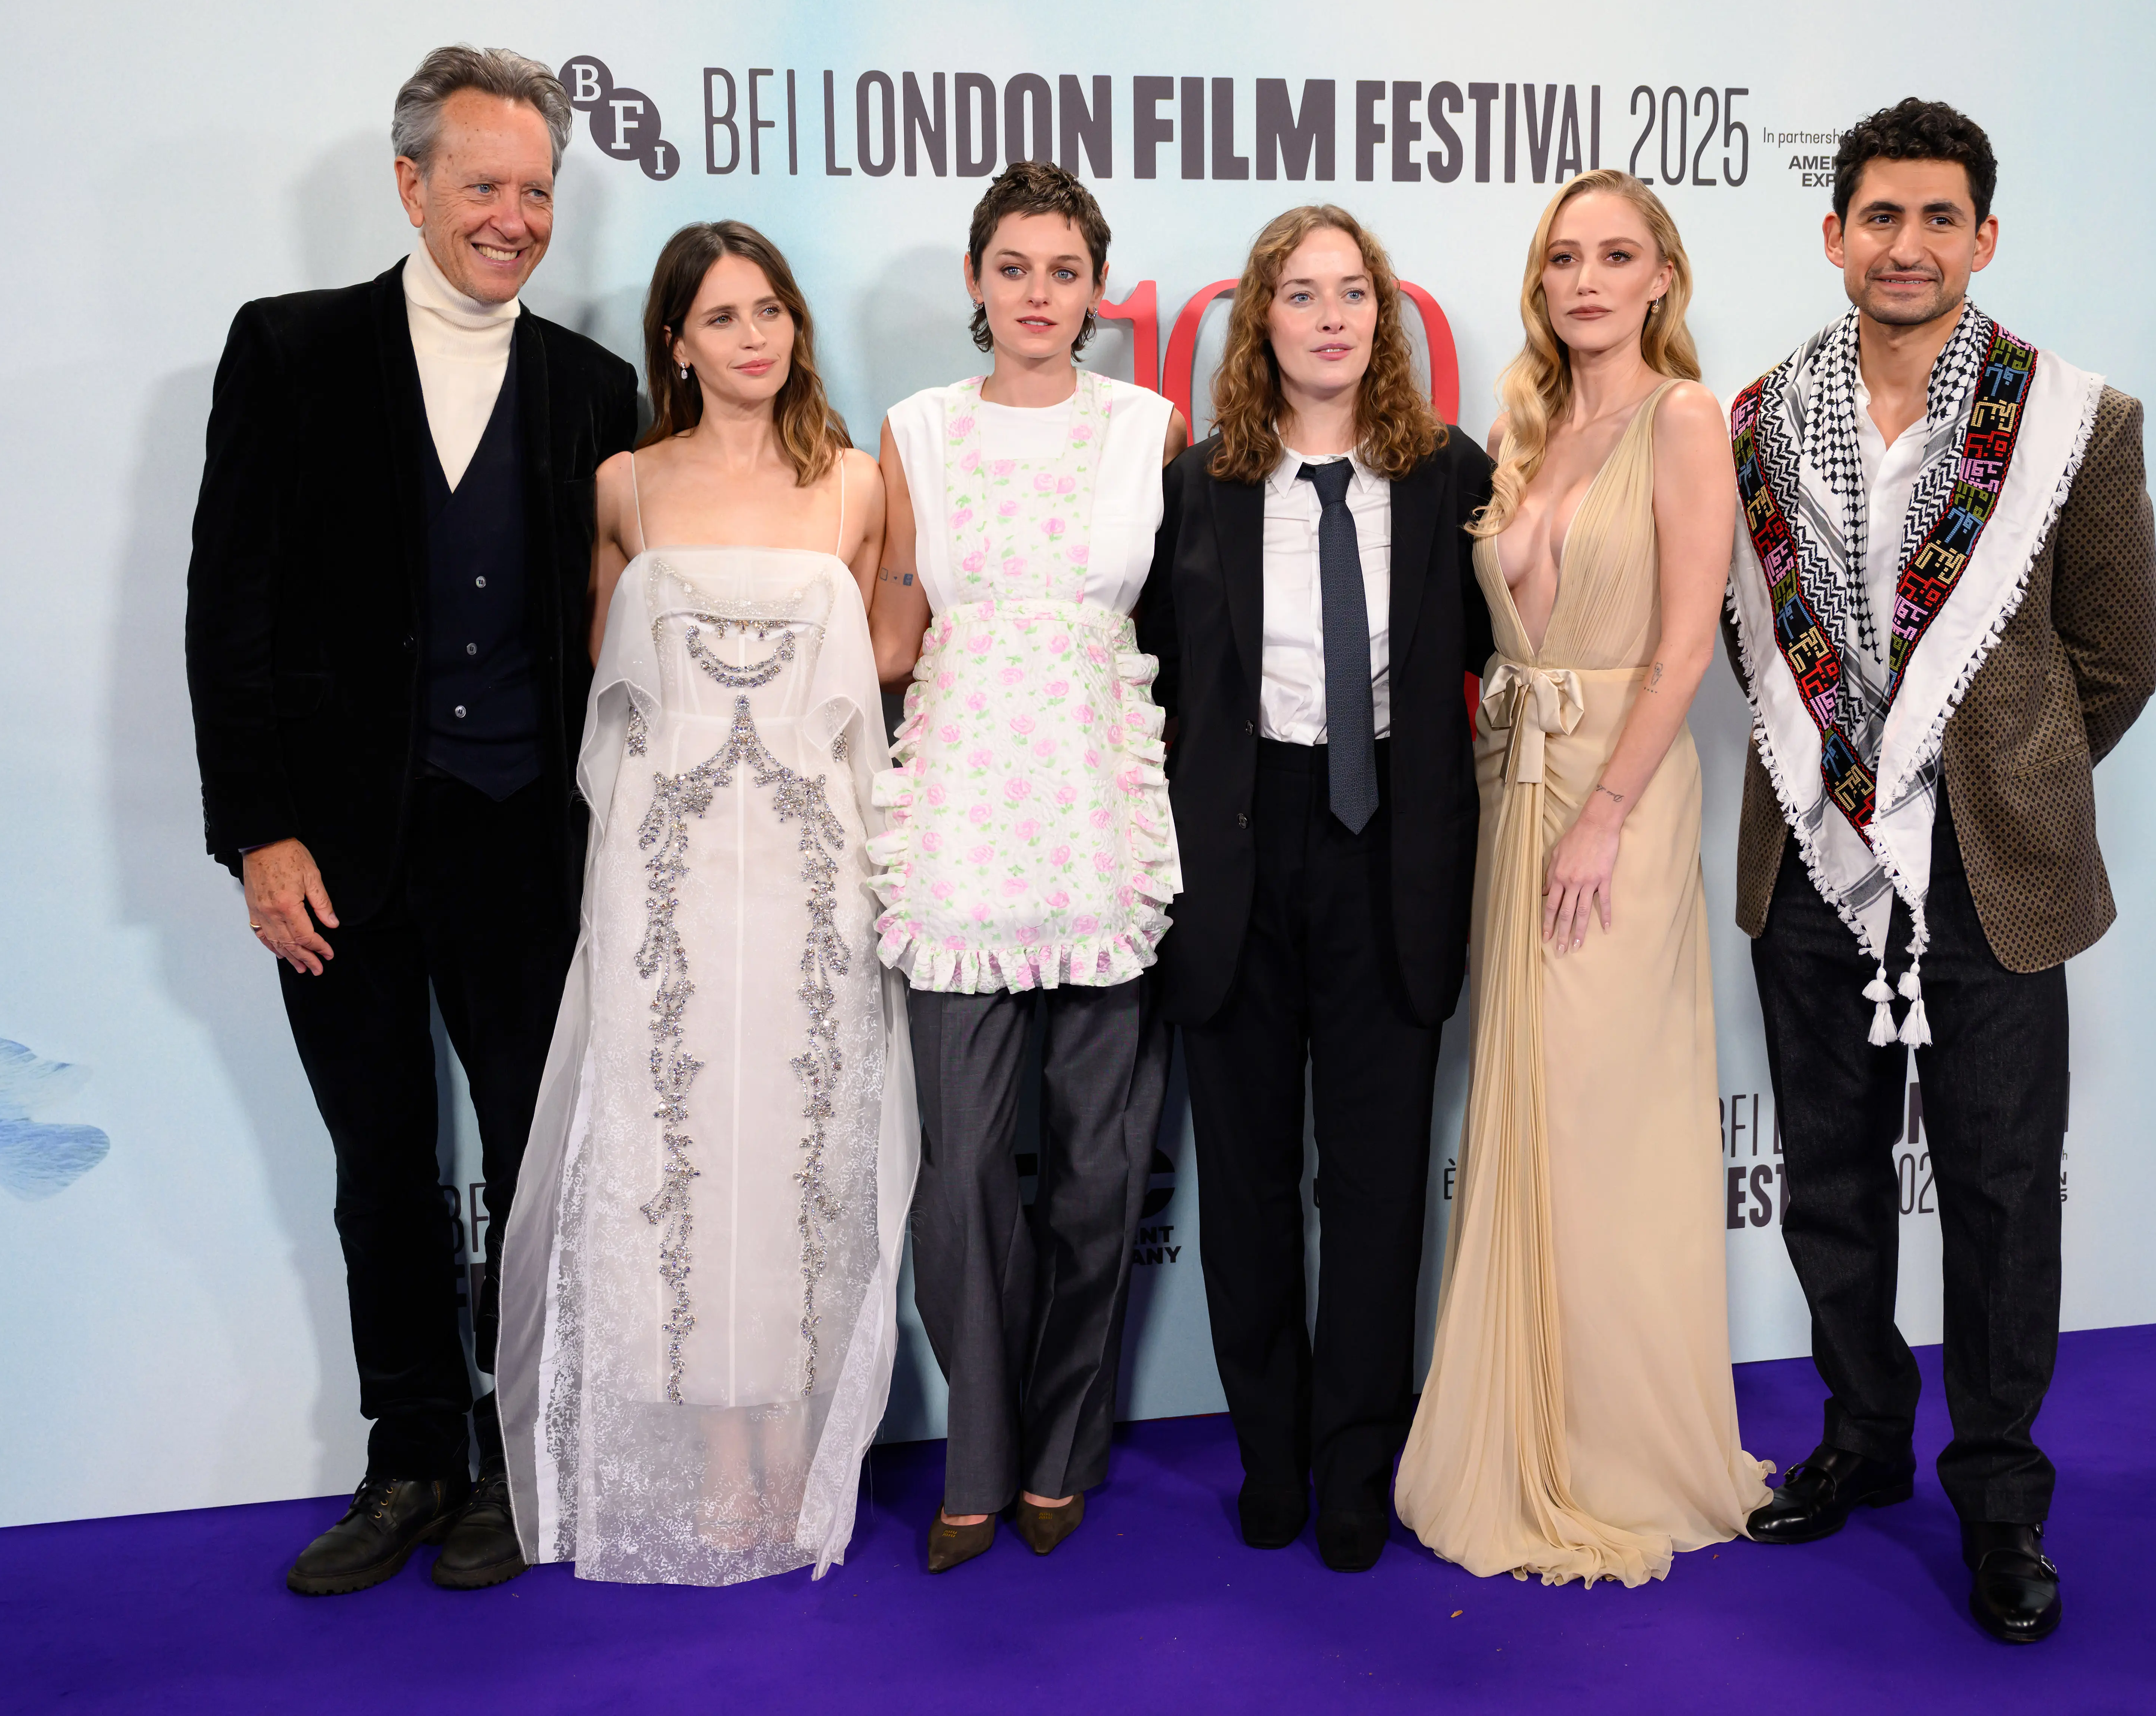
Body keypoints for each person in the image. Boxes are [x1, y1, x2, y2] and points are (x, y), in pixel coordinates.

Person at [185, 46, 638, 1595]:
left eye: (536, 191)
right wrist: (258, 828)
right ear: (410, 186)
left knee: (532, 1164)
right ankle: (409, 1455)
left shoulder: (596, 390)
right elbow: (226, 606)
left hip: (525, 850)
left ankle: (524, 1461)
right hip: (337, 852)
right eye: (482, 186)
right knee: (379, 1158)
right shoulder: (290, 351)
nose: (511, 217)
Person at [1725, 99, 2156, 1644]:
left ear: (1982, 237)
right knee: (1830, 1182)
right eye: (1876, 216)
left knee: (1991, 1188)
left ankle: (1998, 1497)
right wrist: (1859, 781)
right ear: (1832, 234)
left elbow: (2113, 656)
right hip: (1813, 853)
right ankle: (1857, 1433)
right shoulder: (1756, 418)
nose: (1902, 245)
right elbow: (1743, 638)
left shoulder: (2069, 419)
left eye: (1935, 218)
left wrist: (1998, 782)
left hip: (1987, 870)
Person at [493, 222, 914, 1585]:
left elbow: (886, 676)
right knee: (680, 1165)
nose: (755, 336)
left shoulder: (859, 485)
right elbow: (608, 704)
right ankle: (715, 1460)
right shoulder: (624, 486)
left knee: (799, 1157)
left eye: (773, 310)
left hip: (813, 880)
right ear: (673, 341)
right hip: (665, 882)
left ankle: (797, 1449)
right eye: (723, 317)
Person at [1395, 171, 1773, 1586]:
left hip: (1620, 789)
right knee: (1527, 1101)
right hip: (1515, 784)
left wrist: (1608, 810)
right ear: (1539, 283)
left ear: (1663, 278)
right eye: (1565, 258)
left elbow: (1687, 648)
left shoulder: (1682, 421)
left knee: (1606, 1110)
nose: (1590, 280)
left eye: (1619, 255)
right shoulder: (1527, 428)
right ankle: (1518, 1426)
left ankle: (1613, 1448)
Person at [1137, 206, 1493, 1574]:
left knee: (1378, 1178)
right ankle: (1269, 1452)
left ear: (1384, 320)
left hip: (1390, 842)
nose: (1332, 317)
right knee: (1243, 1185)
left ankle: (1358, 1459)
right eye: (1302, 294)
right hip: (1237, 848)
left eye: (1355, 294)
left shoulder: (1452, 474)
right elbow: (1166, 673)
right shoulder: (1204, 484)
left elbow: (1489, 652)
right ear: (1260, 323)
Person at [867, 161, 1188, 1573]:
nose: (1038, 295)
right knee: (958, 1183)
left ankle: (1064, 1447)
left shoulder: (1147, 430)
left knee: (1101, 1171)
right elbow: (883, 638)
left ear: (1095, 292)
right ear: (977, 284)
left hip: (1100, 823)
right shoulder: (915, 436)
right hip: (954, 831)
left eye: (1063, 272)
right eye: (1013, 268)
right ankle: (978, 1458)